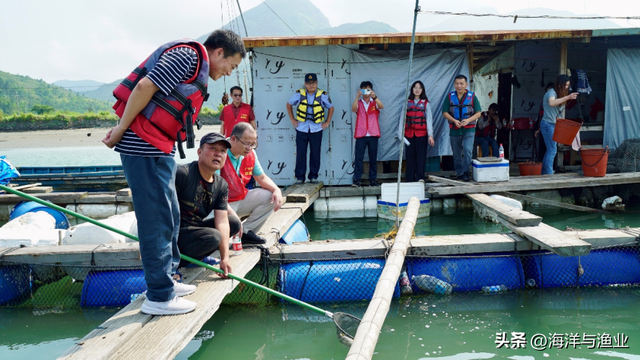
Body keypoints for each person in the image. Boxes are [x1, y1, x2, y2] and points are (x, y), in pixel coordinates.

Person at [102, 29, 246, 316]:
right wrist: (120, 128)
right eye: (232, 65)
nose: (229, 73)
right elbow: (145, 87)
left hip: (160, 147)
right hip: (144, 145)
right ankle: (159, 295)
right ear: (218, 53)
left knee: (170, 216)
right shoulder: (188, 56)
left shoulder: (197, 65)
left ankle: (168, 279)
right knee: (155, 219)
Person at [175, 132, 241, 270]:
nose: (218, 154)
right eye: (213, 148)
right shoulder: (183, 174)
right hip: (174, 234)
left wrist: (225, 258)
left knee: (233, 223)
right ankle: (177, 264)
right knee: (213, 237)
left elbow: (222, 221)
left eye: (223, 151)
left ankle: (196, 257)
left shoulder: (221, 185)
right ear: (199, 152)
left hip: (195, 231)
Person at [219, 122, 283, 244]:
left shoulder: (250, 153)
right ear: (233, 139)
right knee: (219, 240)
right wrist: (231, 213)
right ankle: (233, 232)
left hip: (240, 198)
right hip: (220, 204)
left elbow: (261, 178)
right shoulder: (220, 152)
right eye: (247, 144)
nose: (249, 148)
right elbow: (212, 191)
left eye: (253, 144)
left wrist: (276, 190)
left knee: (270, 196)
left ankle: (247, 231)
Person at [286, 73, 334, 184]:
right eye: (308, 83)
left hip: (316, 129)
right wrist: (293, 120)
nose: (311, 85)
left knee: (315, 153)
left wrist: (327, 122)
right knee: (301, 153)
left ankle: (313, 176)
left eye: (313, 83)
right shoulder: (299, 94)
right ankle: (300, 177)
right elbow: (289, 104)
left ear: (317, 83)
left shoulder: (322, 95)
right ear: (305, 83)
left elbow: (331, 108)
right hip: (301, 128)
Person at [442, 75, 482, 182]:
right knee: (456, 152)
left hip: (469, 129)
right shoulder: (450, 96)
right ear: (454, 84)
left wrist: (468, 120)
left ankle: (465, 172)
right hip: (455, 128)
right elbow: (445, 112)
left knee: (468, 150)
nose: (459, 86)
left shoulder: (472, 96)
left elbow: (478, 113)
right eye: (457, 83)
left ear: (466, 85)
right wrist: (455, 121)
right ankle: (459, 172)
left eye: (461, 84)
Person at [539, 75, 579, 175]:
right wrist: (568, 97)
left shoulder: (559, 94)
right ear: (560, 84)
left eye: (568, 86)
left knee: (550, 150)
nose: (567, 88)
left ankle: (544, 173)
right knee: (552, 150)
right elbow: (552, 103)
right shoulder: (551, 93)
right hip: (548, 124)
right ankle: (548, 174)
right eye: (565, 85)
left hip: (553, 125)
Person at [351, 81, 384, 187]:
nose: (366, 92)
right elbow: (353, 109)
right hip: (361, 134)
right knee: (359, 157)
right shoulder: (359, 102)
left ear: (371, 91)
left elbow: (381, 106)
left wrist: (375, 97)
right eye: (364, 89)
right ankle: (357, 179)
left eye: (368, 89)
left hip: (373, 133)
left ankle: (373, 179)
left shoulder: (374, 102)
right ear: (360, 90)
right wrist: (357, 97)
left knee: (373, 158)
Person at [404, 80, 434, 182]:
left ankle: (420, 178)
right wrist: (400, 134)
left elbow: (429, 120)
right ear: (412, 89)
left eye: (419, 88)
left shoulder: (426, 104)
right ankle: (409, 179)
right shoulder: (407, 103)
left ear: (422, 90)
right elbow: (401, 119)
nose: (417, 90)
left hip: (421, 134)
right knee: (410, 158)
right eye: (415, 87)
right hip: (409, 134)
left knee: (421, 158)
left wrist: (430, 135)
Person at [534, 82, 555, 162]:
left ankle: (547, 169)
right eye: (547, 92)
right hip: (546, 126)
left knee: (550, 150)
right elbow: (541, 116)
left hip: (549, 126)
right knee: (549, 150)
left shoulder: (552, 101)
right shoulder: (545, 102)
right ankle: (546, 170)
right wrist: (538, 128)